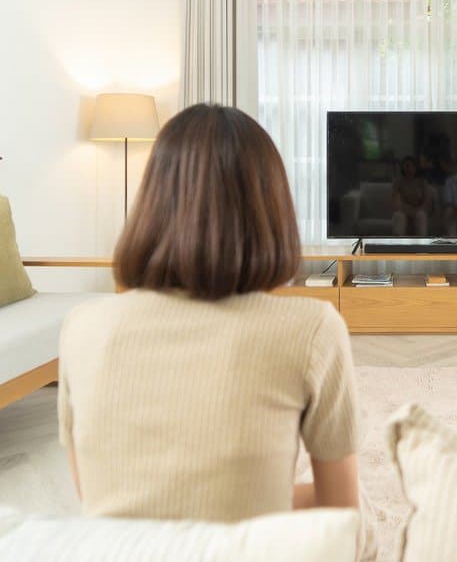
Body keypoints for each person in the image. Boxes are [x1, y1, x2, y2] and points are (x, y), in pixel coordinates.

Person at [58, 104, 361, 522]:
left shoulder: (81, 328)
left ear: (151, 203)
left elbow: (95, 497)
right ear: (272, 208)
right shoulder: (313, 330)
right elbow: (340, 512)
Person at [392, 155, 431, 236]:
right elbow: (395, 201)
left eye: (411, 166)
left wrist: (418, 210)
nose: (408, 168)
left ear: (415, 167)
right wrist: (407, 210)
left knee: (421, 215)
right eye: (406, 166)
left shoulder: (422, 182)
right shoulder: (398, 182)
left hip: (419, 209)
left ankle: (421, 241)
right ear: (402, 168)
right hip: (403, 209)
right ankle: (398, 242)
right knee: (398, 215)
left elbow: (427, 201)